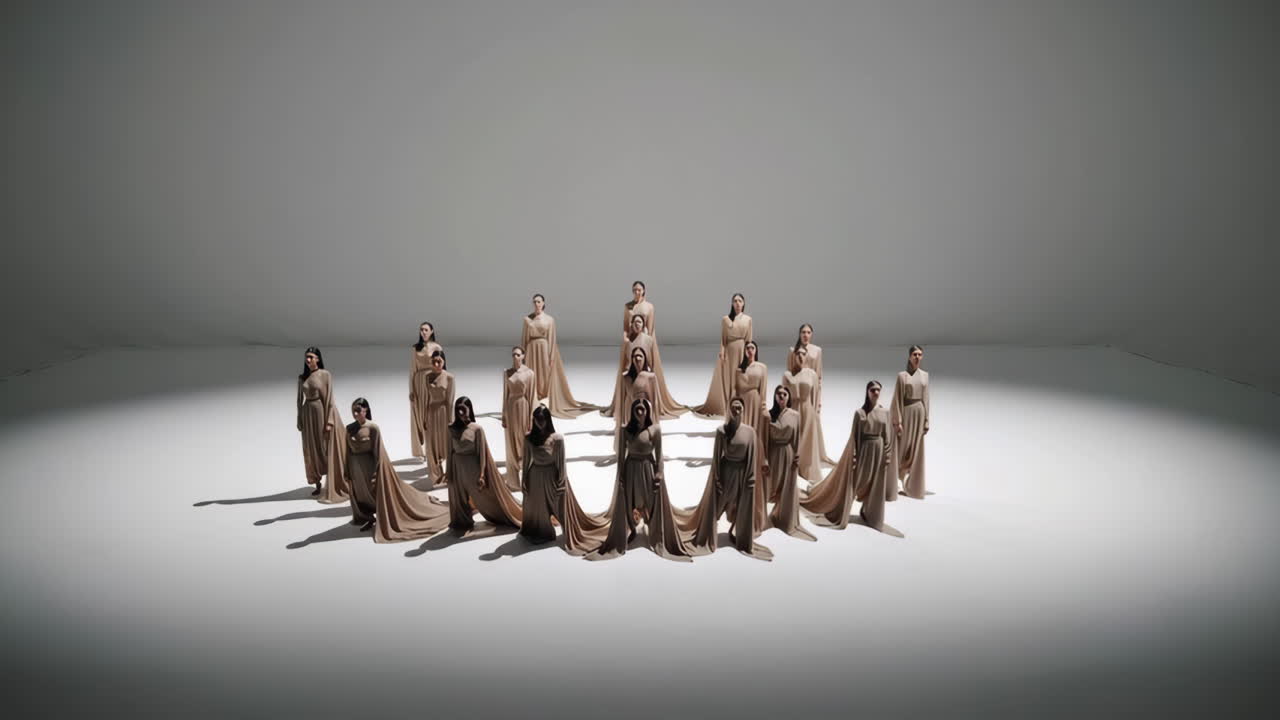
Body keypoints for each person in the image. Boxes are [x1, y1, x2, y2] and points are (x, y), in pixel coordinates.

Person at [587, 399, 695, 562]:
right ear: (632, 411)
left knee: (651, 501)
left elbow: (659, 454)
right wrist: (621, 474)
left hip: (647, 467)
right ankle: (631, 529)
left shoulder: (655, 430)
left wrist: (659, 472)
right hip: (631, 468)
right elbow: (621, 456)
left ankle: (656, 531)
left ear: (647, 411)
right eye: (637, 410)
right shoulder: (626, 430)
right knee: (629, 501)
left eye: (642, 410)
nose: (640, 413)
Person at [340, 398, 450, 542]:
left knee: (373, 493)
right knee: (360, 494)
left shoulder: (373, 428)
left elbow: (378, 451)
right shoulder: (349, 428)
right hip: (355, 467)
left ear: (365, 410)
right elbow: (347, 451)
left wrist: (377, 471)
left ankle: (382, 515)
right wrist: (346, 470)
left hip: (368, 466)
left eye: (358, 411)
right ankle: (366, 517)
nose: (355, 414)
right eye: (353, 410)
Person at [685, 397, 773, 560]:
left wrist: (751, 477)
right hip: (726, 471)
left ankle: (736, 532)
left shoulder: (750, 432)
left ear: (743, 409)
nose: (736, 410)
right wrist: (717, 476)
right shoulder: (721, 431)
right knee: (718, 504)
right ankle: (709, 535)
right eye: (733, 407)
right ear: (729, 410)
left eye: (739, 407)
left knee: (741, 505)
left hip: (742, 473)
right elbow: (716, 456)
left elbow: (752, 456)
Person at [801, 381, 894, 531]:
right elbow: (854, 437)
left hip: (878, 451)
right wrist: (855, 455)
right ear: (867, 392)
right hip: (864, 450)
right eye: (872, 390)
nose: (875, 393)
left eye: (878, 390)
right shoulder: (859, 413)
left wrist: (887, 455)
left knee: (875, 483)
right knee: (856, 481)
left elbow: (887, 436)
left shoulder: (885, 413)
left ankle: (870, 514)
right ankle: (842, 511)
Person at [519, 405, 611, 551]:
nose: (540, 423)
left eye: (543, 419)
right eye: (537, 420)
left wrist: (561, 483)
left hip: (552, 477)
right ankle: (541, 531)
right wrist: (524, 480)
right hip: (535, 477)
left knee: (561, 508)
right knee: (538, 509)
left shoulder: (557, 439)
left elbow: (561, 464)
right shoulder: (529, 438)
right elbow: (525, 462)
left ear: (548, 420)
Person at [602, 281, 687, 419]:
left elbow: (651, 328)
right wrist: (625, 339)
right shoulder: (627, 306)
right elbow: (625, 327)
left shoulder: (649, 307)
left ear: (644, 291)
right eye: (634, 290)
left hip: (645, 341)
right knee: (628, 373)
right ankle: (625, 402)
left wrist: (647, 343)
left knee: (647, 371)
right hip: (630, 342)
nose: (637, 292)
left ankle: (649, 400)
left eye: (639, 290)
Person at [445, 397, 523, 532]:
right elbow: (449, 451)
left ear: (470, 410)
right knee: (459, 498)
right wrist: (449, 472)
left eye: (464, 410)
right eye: (459, 411)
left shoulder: (476, 429)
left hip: (472, 468)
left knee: (485, 498)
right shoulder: (451, 428)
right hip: (457, 468)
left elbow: (482, 454)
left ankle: (504, 514)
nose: (462, 414)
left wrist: (482, 474)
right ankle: (462, 522)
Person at [520, 294, 597, 417]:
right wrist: (522, 353)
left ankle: (544, 399)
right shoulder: (527, 319)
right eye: (534, 301)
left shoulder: (549, 320)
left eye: (539, 301)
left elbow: (552, 338)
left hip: (544, 347)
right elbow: (524, 338)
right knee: (532, 372)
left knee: (545, 374)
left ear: (543, 303)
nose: (536, 304)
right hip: (531, 348)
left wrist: (551, 356)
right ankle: (533, 398)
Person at [763, 385, 816, 541]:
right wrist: (764, 459)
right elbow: (764, 439)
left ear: (788, 397)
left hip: (788, 453)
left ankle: (783, 516)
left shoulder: (795, 415)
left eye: (784, 394)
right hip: (773, 453)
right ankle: (762, 518)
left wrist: (797, 456)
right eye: (778, 394)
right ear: (774, 396)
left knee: (787, 486)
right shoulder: (767, 415)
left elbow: (797, 437)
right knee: (769, 486)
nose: (781, 396)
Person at [296, 347, 345, 500]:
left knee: (324, 446)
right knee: (310, 447)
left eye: (311, 357)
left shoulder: (325, 374)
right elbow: (299, 400)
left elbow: (329, 398)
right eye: (306, 357)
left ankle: (333, 480)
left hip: (320, 411)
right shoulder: (302, 377)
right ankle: (316, 481)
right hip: (307, 412)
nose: (308, 360)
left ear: (318, 359)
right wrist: (299, 418)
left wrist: (329, 420)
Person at [693, 293, 753, 419]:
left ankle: (741, 403)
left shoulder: (748, 319)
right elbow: (723, 339)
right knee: (729, 378)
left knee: (741, 376)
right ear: (731, 303)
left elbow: (749, 339)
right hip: (730, 350)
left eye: (740, 301)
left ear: (744, 303)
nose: (737, 303)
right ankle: (728, 404)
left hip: (742, 349)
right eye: (735, 301)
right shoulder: (726, 319)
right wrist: (722, 351)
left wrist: (749, 355)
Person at [786, 324, 836, 464]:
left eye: (808, 332)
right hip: (797, 390)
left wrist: (818, 401)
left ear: (812, 334)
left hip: (809, 389)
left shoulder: (817, 351)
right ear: (799, 334)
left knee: (811, 424)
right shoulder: (792, 350)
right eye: (803, 332)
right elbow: (789, 374)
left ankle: (809, 455)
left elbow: (818, 378)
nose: (806, 335)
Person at [892, 345, 930, 499]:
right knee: (902, 446)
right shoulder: (902, 376)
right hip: (906, 411)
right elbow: (897, 398)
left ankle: (911, 481)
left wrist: (927, 420)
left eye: (920, 354)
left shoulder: (925, 376)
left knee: (916, 447)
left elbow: (926, 398)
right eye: (914, 354)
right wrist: (898, 420)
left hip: (919, 412)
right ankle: (895, 477)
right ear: (909, 356)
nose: (917, 357)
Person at [781, 345, 824, 482]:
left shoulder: (812, 374)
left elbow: (816, 395)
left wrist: (816, 411)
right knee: (793, 440)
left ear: (806, 357)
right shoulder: (787, 375)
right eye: (798, 354)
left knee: (808, 441)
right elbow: (783, 395)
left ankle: (807, 471)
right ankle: (791, 470)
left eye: (803, 354)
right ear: (794, 357)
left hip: (808, 409)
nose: (800, 356)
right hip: (793, 409)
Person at [501, 346, 537, 491]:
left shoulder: (529, 373)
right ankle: (513, 481)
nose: (515, 357)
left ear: (523, 356)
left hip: (523, 406)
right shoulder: (507, 372)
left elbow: (532, 396)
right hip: (510, 407)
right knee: (511, 443)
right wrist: (503, 415)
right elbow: (505, 394)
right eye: (513, 355)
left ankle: (528, 477)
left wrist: (531, 418)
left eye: (517, 354)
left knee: (523, 441)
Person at [408, 322, 443, 458]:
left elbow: (442, 367)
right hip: (418, 383)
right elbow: (412, 370)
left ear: (432, 331)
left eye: (426, 330)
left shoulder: (437, 347)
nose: (423, 332)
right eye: (421, 330)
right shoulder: (415, 348)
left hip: (432, 381)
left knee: (432, 415)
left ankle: (434, 448)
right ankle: (420, 450)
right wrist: (411, 390)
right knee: (419, 415)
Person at [422, 350, 454, 485]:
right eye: (434, 361)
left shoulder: (449, 378)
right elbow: (425, 399)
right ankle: (436, 475)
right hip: (431, 412)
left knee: (445, 444)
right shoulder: (427, 377)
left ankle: (450, 474)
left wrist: (451, 420)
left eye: (439, 361)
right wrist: (423, 417)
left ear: (444, 361)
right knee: (431, 444)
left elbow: (450, 400)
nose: (436, 364)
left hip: (444, 413)